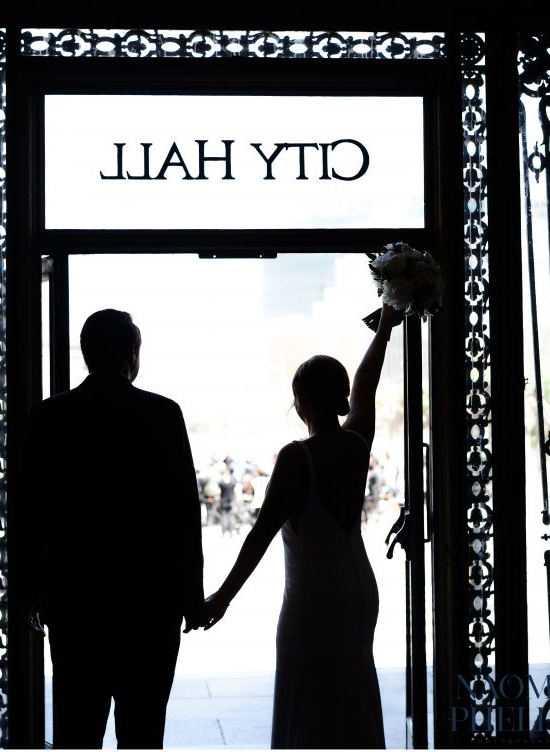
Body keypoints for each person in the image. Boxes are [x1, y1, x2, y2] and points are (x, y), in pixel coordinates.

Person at [194, 303, 403, 749]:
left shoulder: (296, 457)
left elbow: (260, 536)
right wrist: (384, 327)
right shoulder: (356, 443)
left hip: (314, 596)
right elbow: (366, 386)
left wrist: (222, 598)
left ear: (301, 400)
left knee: (307, 694)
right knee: (353, 688)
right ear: (339, 396)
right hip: (358, 590)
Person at [24, 309, 203, 749]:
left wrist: (33, 590)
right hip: (150, 602)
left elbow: (32, 510)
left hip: (76, 599)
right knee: (142, 730)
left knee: (77, 727)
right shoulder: (162, 414)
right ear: (133, 353)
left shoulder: (49, 416)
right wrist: (191, 598)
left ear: (85, 354)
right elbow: (183, 512)